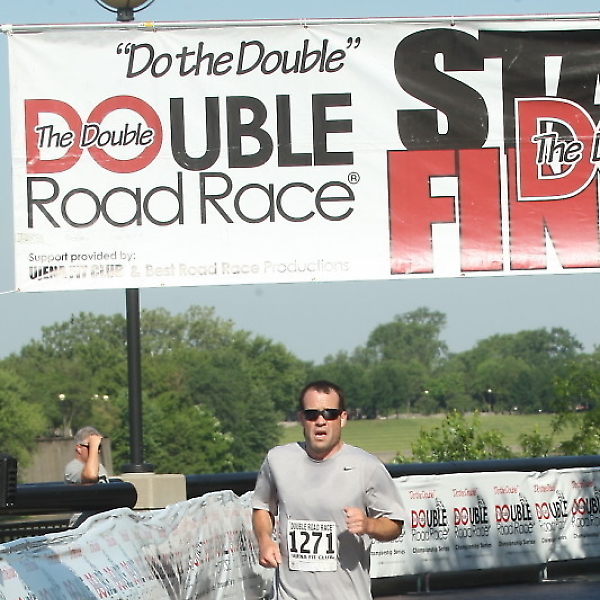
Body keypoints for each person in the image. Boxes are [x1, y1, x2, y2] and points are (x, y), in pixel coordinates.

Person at [252, 380, 405, 600]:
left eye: (329, 414)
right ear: (301, 418)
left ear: (343, 418)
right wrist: (264, 539)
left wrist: (369, 525)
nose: (321, 421)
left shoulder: (366, 466)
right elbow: (262, 507)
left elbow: (395, 524)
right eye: (312, 414)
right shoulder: (277, 460)